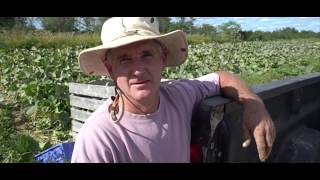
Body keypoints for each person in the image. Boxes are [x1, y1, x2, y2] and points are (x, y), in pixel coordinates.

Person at [71, 17, 276, 163]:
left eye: (147, 55)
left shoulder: (179, 96)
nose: (138, 70)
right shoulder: (98, 137)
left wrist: (254, 105)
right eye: (124, 59)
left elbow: (221, 77)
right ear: (110, 69)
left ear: (162, 59)